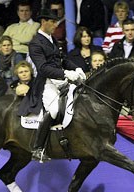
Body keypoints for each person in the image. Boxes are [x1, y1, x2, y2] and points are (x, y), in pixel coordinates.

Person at [27, 8, 86, 161]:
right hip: (46, 83)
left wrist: (76, 68)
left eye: (56, 22)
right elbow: (43, 68)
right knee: (53, 110)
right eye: (52, 22)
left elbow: (63, 59)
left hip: (60, 80)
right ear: (43, 22)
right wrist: (65, 73)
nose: (55, 25)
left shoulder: (52, 39)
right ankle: (38, 149)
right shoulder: (35, 43)